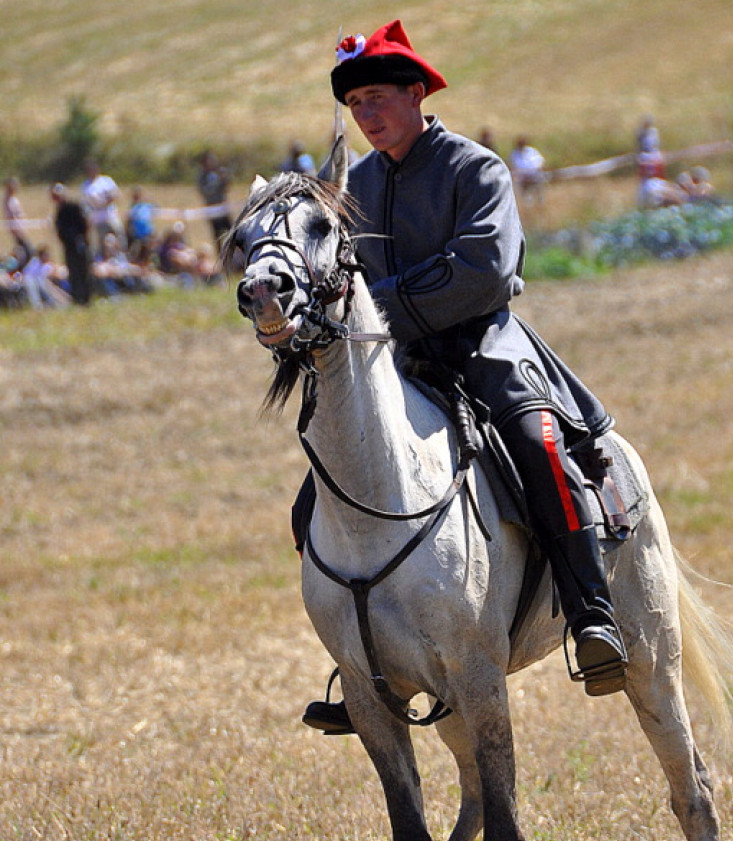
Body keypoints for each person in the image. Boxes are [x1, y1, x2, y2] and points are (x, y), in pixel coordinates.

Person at [303, 20, 628, 735]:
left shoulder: (476, 167)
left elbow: (484, 270)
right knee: (318, 492)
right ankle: (362, 665)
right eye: (355, 104)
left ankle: (592, 615)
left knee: (538, 447)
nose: (366, 115)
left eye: (378, 97)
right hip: (392, 365)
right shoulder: (350, 186)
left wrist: (378, 308)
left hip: (483, 344)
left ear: (417, 92)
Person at [51, 183, 91, 306]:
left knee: (83, 270)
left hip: (79, 244)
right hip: (68, 246)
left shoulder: (74, 207)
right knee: (73, 272)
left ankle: (85, 297)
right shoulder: (59, 211)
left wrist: (80, 238)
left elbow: (84, 224)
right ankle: (76, 297)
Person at [81, 159, 124, 254]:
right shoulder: (85, 185)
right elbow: (86, 201)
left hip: (110, 215)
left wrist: (104, 202)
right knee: (102, 243)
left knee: (119, 236)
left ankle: (122, 256)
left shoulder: (106, 181)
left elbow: (115, 194)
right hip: (97, 219)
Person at [197, 150, 232, 254]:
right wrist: (216, 183)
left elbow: (225, 189)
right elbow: (205, 191)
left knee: (230, 230)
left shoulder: (218, 172)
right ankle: (220, 255)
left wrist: (224, 179)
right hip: (212, 208)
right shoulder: (202, 176)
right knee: (217, 234)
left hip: (222, 207)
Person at [3, 177, 32, 267]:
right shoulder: (8, 200)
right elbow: (11, 216)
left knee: (26, 251)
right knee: (27, 252)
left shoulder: (13, 199)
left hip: (21, 229)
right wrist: (17, 230)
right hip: (17, 230)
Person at [508, 136, 546, 204]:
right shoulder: (514, 154)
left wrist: (535, 169)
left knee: (539, 193)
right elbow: (514, 165)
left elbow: (540, 161)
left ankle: (540, 204)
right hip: (523, 178)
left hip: (534, 176)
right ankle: (528, 207)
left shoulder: (532, 151)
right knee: (526, 196)